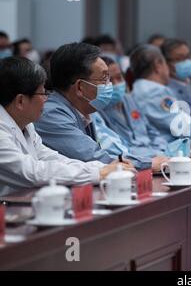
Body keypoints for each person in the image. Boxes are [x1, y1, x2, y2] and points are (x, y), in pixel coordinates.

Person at [0, 57, 134, 196]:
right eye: (42, 93)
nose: (46, 99)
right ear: (20, 101)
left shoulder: (26, 125)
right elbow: (33, 172)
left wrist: (104, 168)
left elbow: (54, 159)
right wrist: (98, 173)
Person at [34, 42, 144, 169]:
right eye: (105, 79)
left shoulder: (83, 109)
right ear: (80, 87)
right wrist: (149, 164)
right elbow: (95, 158)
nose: (110, 85)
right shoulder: (51, 114)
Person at [130, 44, 191, 148]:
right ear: (158, 65)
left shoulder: (141, 88)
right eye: (165, 64)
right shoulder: (154, 92)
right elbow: (181, 126)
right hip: (166, 153)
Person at [96, 56, 169, 168]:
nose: (116, 84)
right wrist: (152, 157)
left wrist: (162, 150)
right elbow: (120, 151)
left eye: (119, 78)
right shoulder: (97, 110)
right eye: (110, 81)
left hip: (157, 155)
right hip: (137, 162)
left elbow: (151, 131)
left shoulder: (128, 99)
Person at [161, 38, 191, 108]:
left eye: (188, 56)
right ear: (166, 63)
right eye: (179, 58)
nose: (186, 61)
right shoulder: (165, 92)